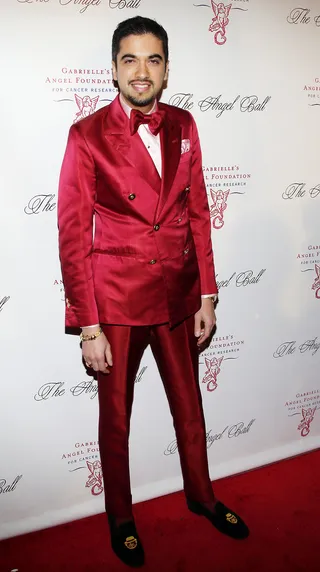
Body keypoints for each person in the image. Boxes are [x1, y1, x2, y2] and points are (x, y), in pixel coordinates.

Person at [58, 16, 249, 568]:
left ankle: (202, 496)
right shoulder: (87, 135)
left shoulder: (184, 124)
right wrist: (87, 324)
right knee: (115, 417)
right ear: (114, 67)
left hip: (179, 296)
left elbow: (197, 212)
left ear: (166, 69)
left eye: (154, 60)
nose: (142, 72)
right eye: (131, 60)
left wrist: (207, 294)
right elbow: (73, 235)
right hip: (115, 302)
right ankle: (121, 516)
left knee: (190, 407)